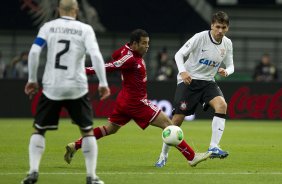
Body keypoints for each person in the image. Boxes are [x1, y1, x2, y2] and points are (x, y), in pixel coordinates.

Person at [64, 29, 212, 168]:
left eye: (148, 43)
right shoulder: (130, 59)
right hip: (136, 102)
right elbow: (110, 65)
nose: (147, 46)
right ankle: (191, 157)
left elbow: (116, 54)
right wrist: (83, 71)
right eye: (143, 43)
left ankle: (75, 145)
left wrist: (124, 53)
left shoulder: (127, 51)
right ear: (134, 44)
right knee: (169, 124)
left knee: (109, 129)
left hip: (125, 100)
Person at [21, 0, 110, 184]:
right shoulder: (85, 29)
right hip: (77, 86)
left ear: (58, 10)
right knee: (87, 132)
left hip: (52, 86)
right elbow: (95, 55)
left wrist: (31, 80)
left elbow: (34, 52)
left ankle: (33, 173)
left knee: (39, 130)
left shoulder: (48, 27)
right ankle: (91, 177)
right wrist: (102, 82)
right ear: (76, 10)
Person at [155, 11, 234, 167]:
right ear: (212, 25)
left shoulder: (227, 43)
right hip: (189, 81)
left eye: (223, 27)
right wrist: (182, 71)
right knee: (176, 122)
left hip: (208, 82)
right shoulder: (200, 37)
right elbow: (179, 55)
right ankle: (163, 155)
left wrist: (227, 71)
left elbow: (231, 65)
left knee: (222, 105)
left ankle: (214, 146)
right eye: (217, 27)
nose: (220, 31)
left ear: (227, 28)